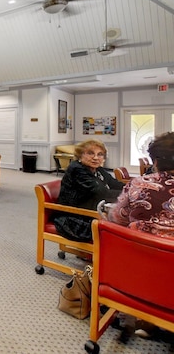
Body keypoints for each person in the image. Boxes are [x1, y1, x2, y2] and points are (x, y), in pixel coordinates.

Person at [104, 132, 174, 342]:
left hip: (138, 265)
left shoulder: (139, 184)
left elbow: (116, 218)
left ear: (156, 161)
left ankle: (145, 317)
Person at [52, 139, 124, 242]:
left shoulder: (98, 169)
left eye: (100, 154)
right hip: (73, 218)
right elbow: (101, 193)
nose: (95, 158)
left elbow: (115, 184)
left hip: (90, 212)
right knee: (120, 226)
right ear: (80, 155)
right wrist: (128, 195)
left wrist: (134, 187)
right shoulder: (76, 169)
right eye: (90, 153)